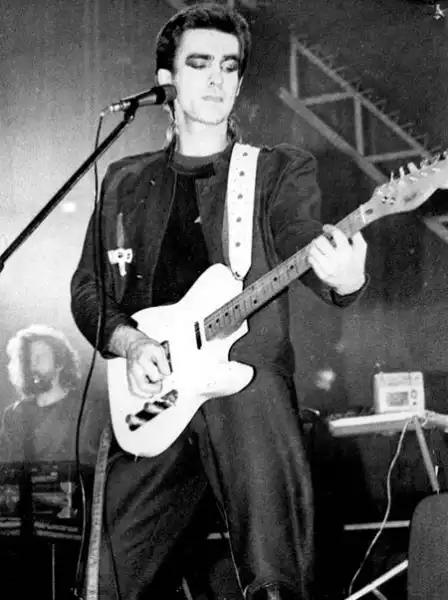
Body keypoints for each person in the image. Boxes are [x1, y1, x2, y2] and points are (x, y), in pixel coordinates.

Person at [70, 4, 368, 599]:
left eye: (229, 67)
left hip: (245, 394)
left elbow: (299, 236)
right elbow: (88, 289)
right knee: (105, 581)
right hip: (154, 399)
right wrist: (130, 342)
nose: (216, 79)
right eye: (199, 63)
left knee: (274, 579)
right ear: (165, 82)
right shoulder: (124, 181)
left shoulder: (276, 169)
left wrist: (344, 278)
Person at [0, 324, 83, 464]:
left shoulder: (83, 411)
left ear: (60, 363)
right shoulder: (14, 414)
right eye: (30, 358)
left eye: (41, 357)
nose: (33, 364)